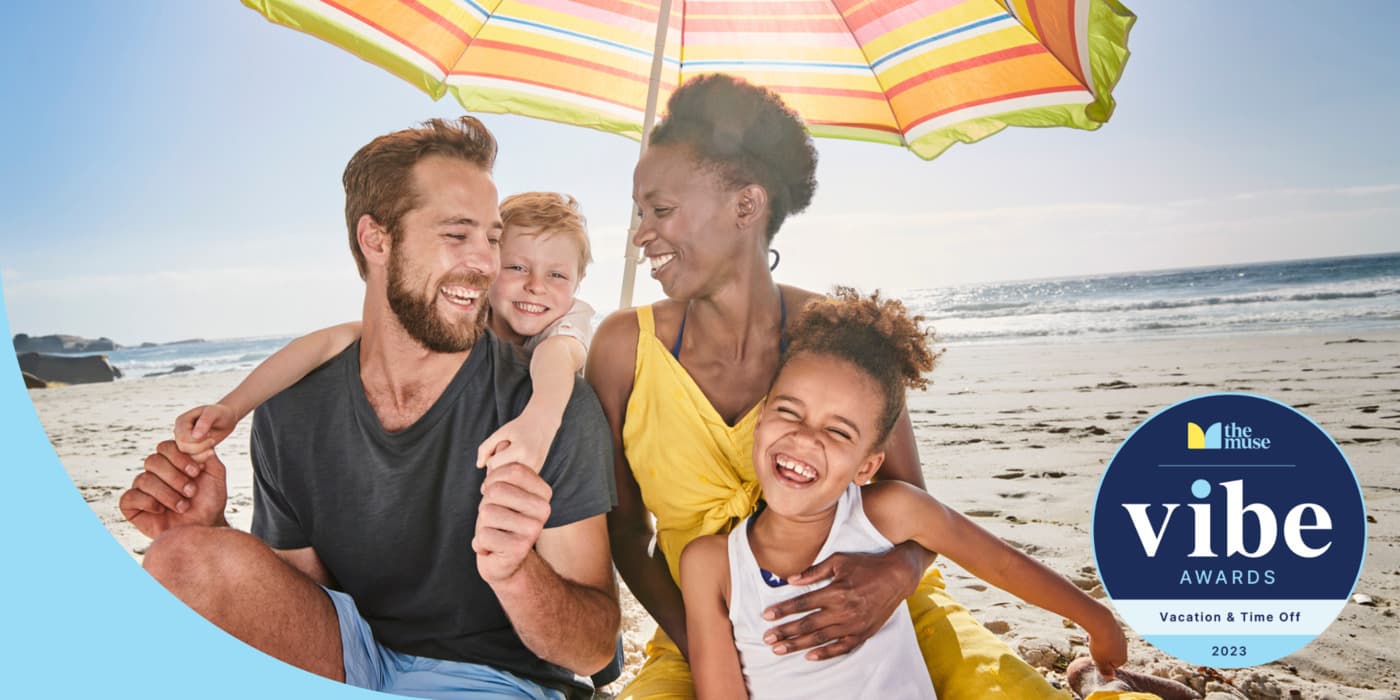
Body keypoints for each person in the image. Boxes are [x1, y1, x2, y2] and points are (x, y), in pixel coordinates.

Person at [586, 74, 1179, 700]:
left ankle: (1105, 686)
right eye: (638, 212)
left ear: (745, 206)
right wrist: (718, 642)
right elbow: (627, 533)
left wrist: (893, 577)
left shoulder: (843, 342)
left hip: (887, 612)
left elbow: (918, 511)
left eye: (661, 209)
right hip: (697, 631)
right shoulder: (624, 347)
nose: (640, 233)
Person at [118, 118, 618, 700]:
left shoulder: (547, 408)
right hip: (355, 659)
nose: (484, 263)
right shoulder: (293, 409)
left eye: (492, 237)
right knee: (181, 559)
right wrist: (214, 538)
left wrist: (516, 574)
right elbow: (305, 599)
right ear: (376, 240)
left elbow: (594, 648)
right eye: (458, 235)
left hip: (493, 680)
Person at [680, 289, 1136, 700]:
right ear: (760, 421)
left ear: (867, 466)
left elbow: (1001, 563)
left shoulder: (887, 515)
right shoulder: (711, 565)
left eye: (838, 431)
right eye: (789, 411)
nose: (806, 438)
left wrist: (1099, 622)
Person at [173, 191, 597, 477]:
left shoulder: (565, 325)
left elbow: (557, 358)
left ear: (577, 283)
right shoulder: (466, 313)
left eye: (557, 274)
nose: (536, 286)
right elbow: (333, 341)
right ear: (486, 265)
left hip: (545, 456)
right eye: (517, 267)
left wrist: (538, 424)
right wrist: (232, 407)